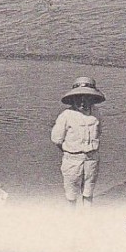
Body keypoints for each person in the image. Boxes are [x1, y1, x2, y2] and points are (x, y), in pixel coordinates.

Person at [51, 77, 104, 208]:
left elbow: (99, 131)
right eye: (78, 98)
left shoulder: (97, 113)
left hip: (92, 158)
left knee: (88, 190)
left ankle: (87, 217)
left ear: (92, 99)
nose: (82, 102)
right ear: (72, 99)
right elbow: (57, 139)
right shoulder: (66, 115)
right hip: (72, 159)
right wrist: (70, 152)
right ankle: (72, 219)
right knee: (71, 193)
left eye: (86, 98)